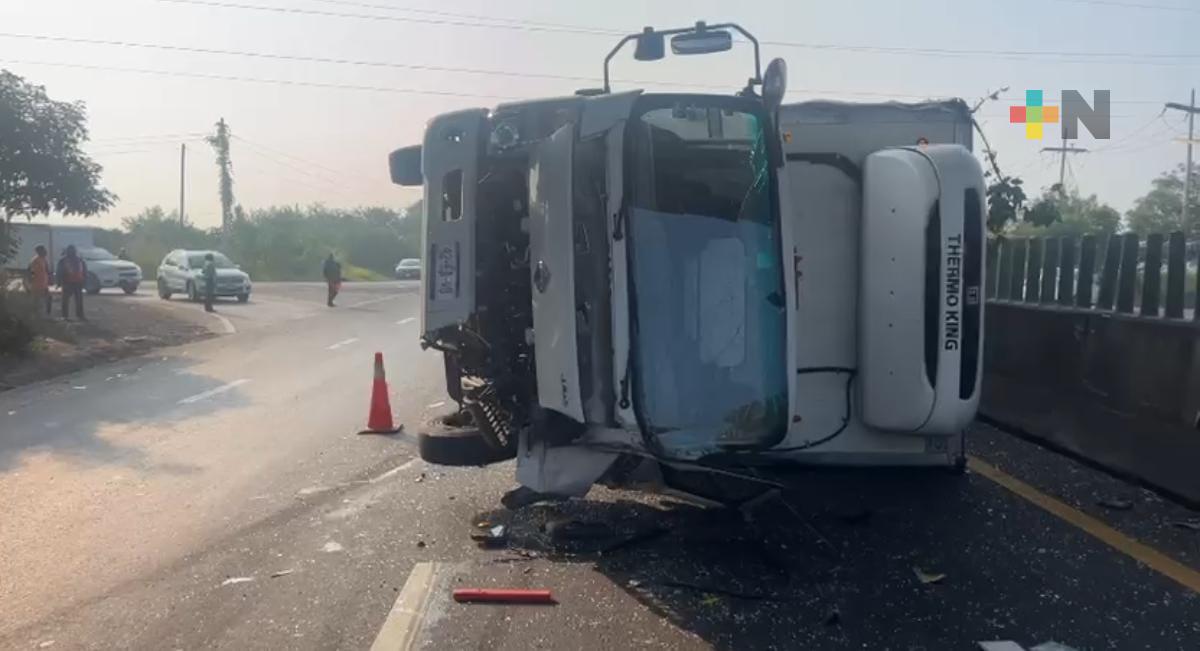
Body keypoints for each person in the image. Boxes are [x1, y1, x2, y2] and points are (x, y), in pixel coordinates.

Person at [56, 245, 87, 321]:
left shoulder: (78, 260)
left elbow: (84, 271)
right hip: (70, 283)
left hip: (74, 283)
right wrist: (59, 282)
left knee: (71, 300)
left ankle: (72, 316)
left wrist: (59, 282)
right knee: (70, 301)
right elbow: (59, 272)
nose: (72, 252)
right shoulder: (77, 260)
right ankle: (71, 316)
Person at [27, 245, 52, 316]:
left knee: (48, 298)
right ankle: (35, 315)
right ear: (39, 251)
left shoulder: (44, 259)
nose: (45, 251)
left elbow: (46, 270)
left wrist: (49, 279)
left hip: (44, 284)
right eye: (44, 250)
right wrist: (30, 282)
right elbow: (31, 272)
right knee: (36, 300)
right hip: (37, 284)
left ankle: (46, 314)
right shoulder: (35, 260)